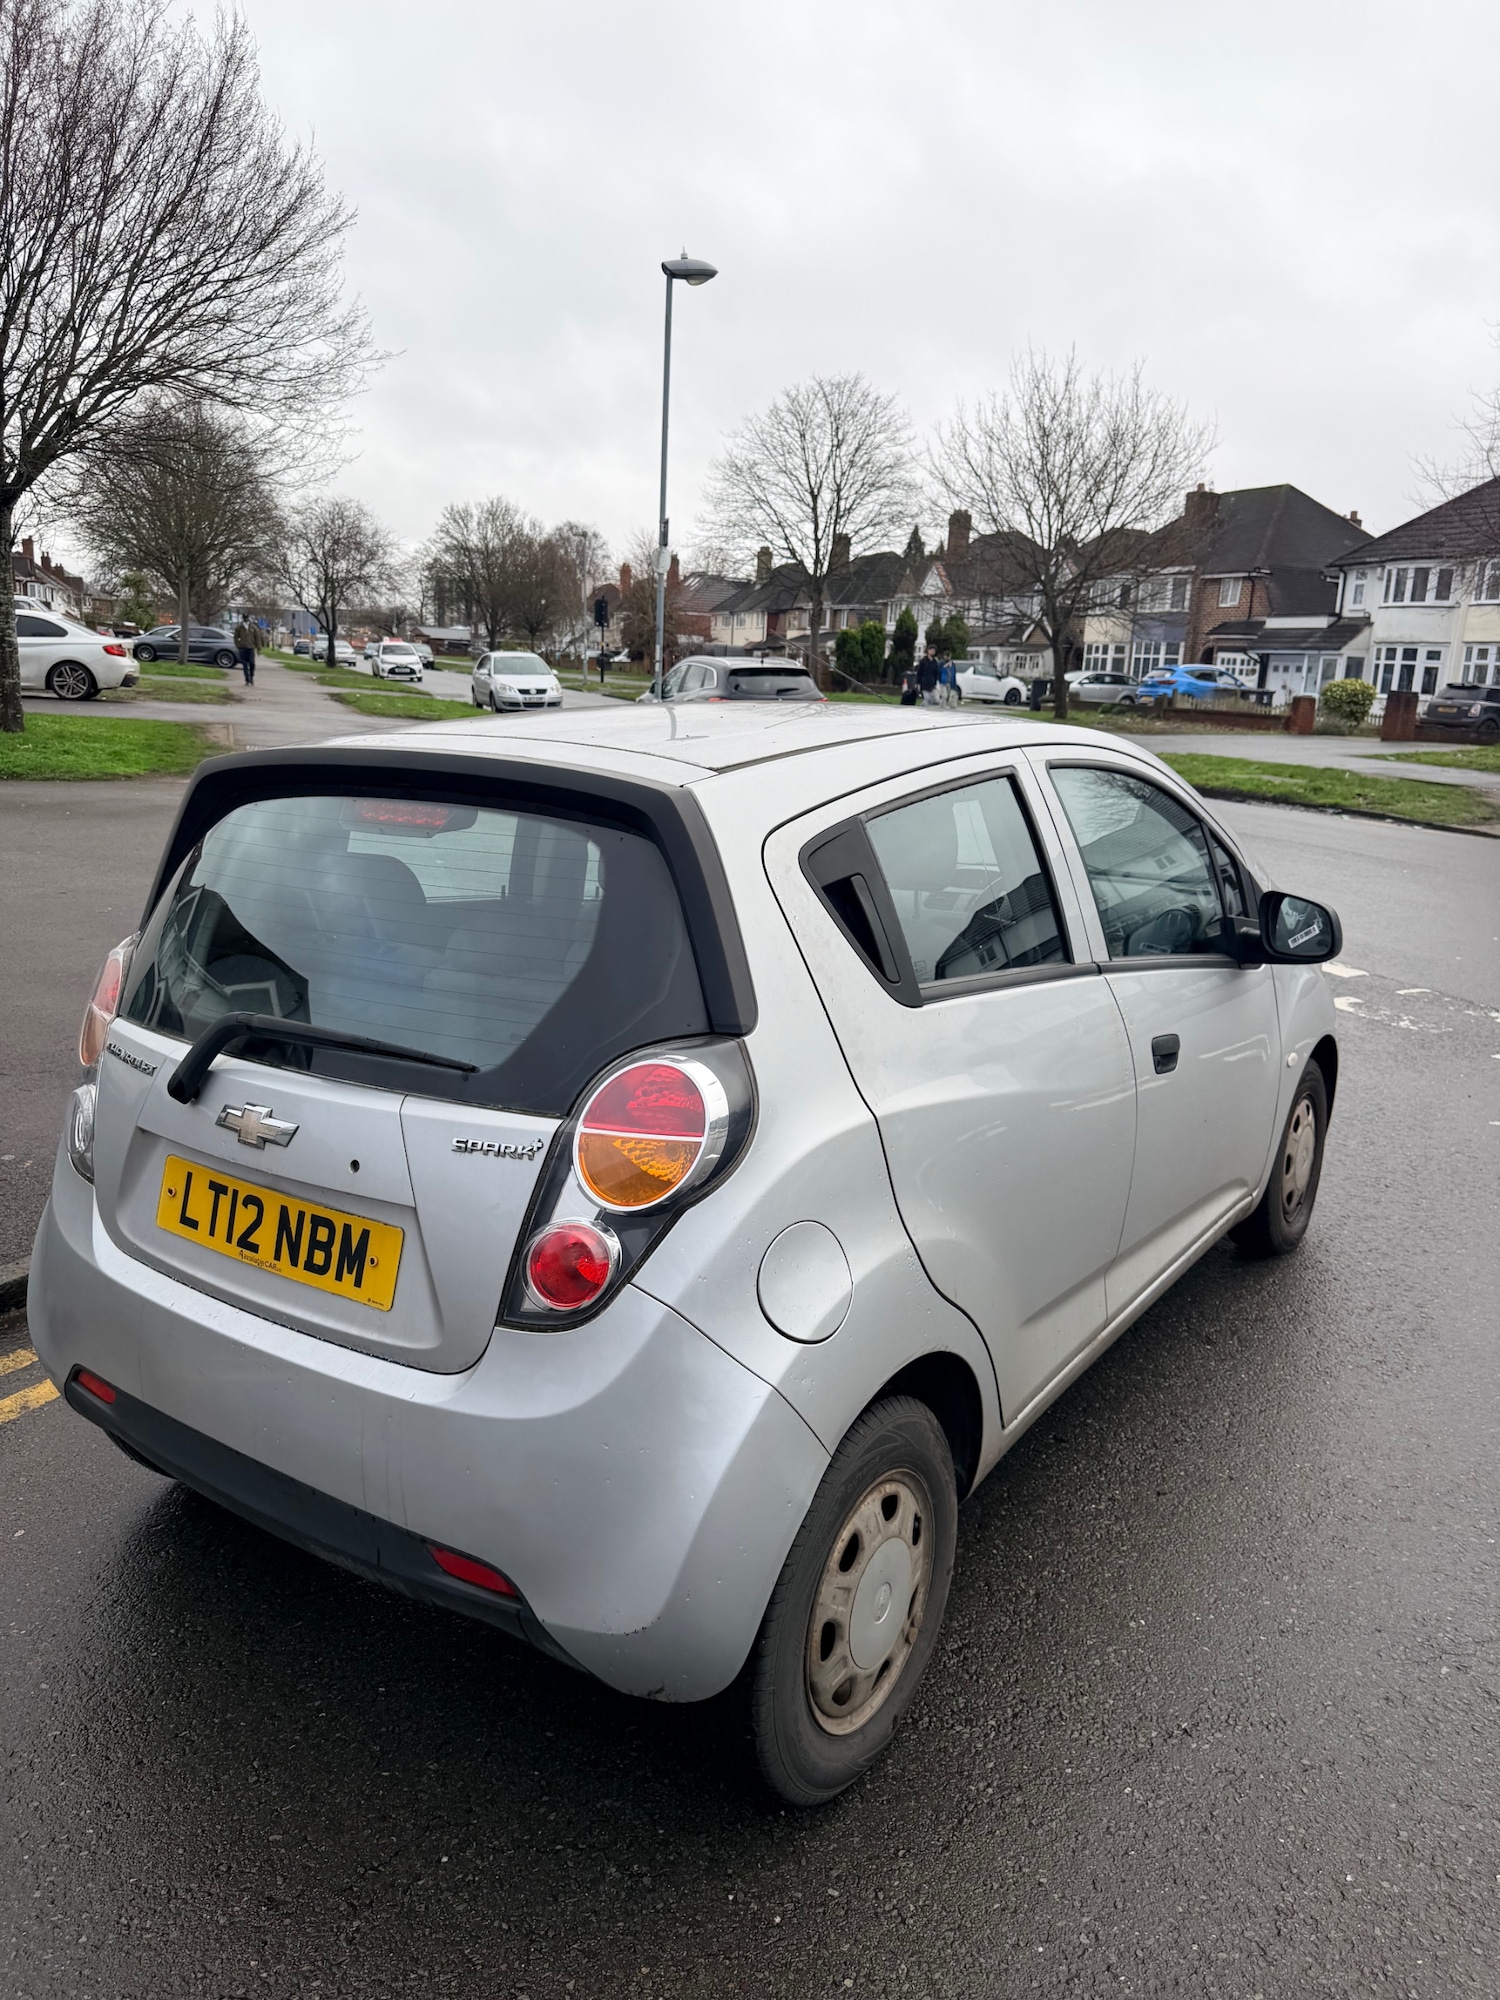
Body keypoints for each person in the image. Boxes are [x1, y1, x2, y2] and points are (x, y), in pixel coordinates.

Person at [233, 619, 256, 685]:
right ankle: (247, 679)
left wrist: (258, 647)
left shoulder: (253, 627)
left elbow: (257, 637)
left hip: (251, 647)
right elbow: (235, 637)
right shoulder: (239, 628)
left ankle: (251, 676)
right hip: (242, 648)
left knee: (252, 663)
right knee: (245, 664)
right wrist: (238, 645)